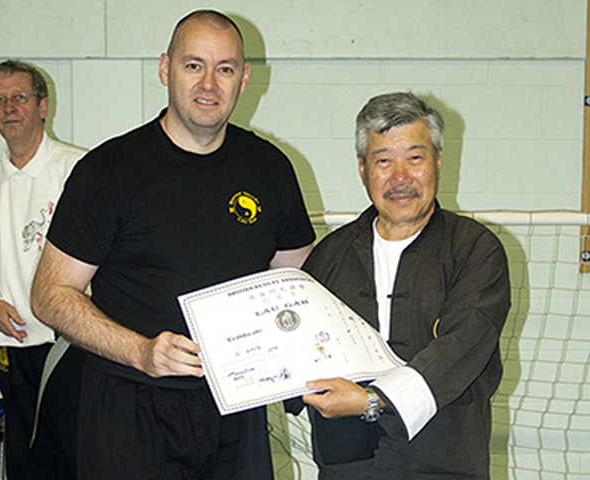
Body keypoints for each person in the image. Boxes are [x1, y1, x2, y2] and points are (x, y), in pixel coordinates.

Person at [30, 10, 314, 480]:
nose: (209, 83)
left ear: (243, 79)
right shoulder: (108, 172)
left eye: (224, 69)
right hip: (131, 408)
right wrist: (141, 350)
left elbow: (299, 283)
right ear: (165, 69)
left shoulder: (270, 169)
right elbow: (49, 295)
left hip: (235, 410)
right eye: (193, 65)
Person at [292, 92, 510, 479]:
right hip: (347, 468)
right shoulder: (329, 256)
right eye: (383, 161)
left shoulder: (475, 250)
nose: (400, 177)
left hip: (444, 466)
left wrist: (372, 399)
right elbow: (297, 352)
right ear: (362, 169)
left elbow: (462, 346)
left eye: (415, 157)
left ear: (438, 161)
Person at [0, 60, 87, 479]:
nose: (9, 107)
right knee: (27, 466)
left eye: (20, 98)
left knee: (81, 460)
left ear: (43, 106)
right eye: (0, 100)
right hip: (14, 350)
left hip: (75, 349)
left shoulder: (78, 171)